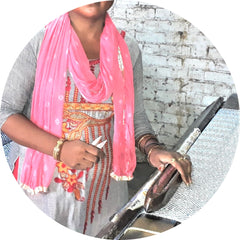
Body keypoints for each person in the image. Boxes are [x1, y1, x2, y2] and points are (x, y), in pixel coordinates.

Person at [0, 1, 192, 237]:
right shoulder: (36, 42)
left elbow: (135, 115)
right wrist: (59, 148)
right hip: (45, 194)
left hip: (106, 192)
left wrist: (152, 149)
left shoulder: (127, 49)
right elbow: (4, 112)